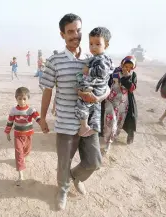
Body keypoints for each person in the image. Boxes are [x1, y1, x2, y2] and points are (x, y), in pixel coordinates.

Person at [39, 13, 110, 210]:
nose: (75, 35)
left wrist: (98, 98)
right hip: (65, 122)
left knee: (94, 161)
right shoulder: (55, 61)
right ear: (62, 34)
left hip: (90, 122)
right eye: (70, 32)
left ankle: (76, 177)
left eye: (78, 30)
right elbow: (47, 90)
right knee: (64, 162)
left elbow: (108, 87)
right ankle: (62, 189)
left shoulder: (94, 58)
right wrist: (43, 117)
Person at [75, 27, 114, 137]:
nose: (93, 47)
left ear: (106, 45)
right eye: (91, 44)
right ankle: (95, 127)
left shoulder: (102, 58)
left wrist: (88, 70)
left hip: (96, 88)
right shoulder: (97, 57)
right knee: (96, 107)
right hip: (98, 89)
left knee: (82, 103)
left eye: (97, 44)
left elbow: (102, 72)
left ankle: (84, 125)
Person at [4, 87, 41, 186]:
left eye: (24, 99)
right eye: (19, 98)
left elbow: (38, 118)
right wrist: (7, 132)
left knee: (27, 151)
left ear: (28, 98)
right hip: (18, 135)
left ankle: (23, 157)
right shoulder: (13, 110)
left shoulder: (31, 110)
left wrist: (43, 125)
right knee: (19, 153)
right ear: (16, 98)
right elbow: (10, 122)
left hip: (28, 135)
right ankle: (21, 175)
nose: (22, 101)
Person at [103, 56, 138, 153]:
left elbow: (132, 88)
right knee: (110, 121)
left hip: (123, 104)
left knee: (119, 123)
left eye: (130, 67)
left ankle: (113, 138)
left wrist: (126, 78)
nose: (127, 68)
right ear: (122, 64)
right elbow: (107, 83)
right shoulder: (115, 72)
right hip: (111, 100)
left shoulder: (133, 75)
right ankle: (108, 142)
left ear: (133, 67)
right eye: (125, 65)